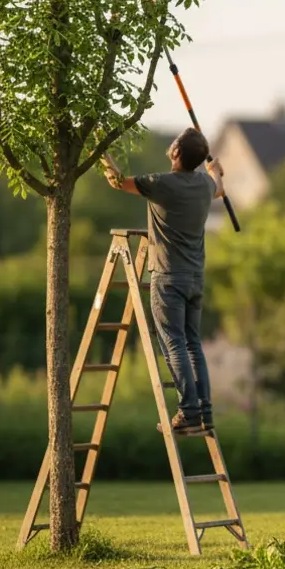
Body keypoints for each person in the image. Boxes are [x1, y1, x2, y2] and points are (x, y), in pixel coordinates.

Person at [100, 128, 224, 434]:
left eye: (175, 143)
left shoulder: (162, 183)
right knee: (193, 344)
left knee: (174, 343)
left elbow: (117, 182)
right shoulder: (205, 184)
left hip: (169, 276)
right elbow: (219, 189)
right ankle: (204, 412)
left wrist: (102, 151)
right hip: (196, 277)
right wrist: (216, 172)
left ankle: (188, 412)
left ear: (178, 154)